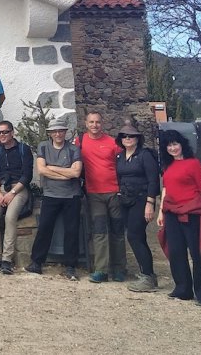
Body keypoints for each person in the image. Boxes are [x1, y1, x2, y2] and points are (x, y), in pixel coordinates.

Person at [157, 130, 201, 305]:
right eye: (169, 145)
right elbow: (166, 189)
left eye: (175, 144)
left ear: (182, 144)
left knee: (198, 253)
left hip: (192, 212)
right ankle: (183, 288)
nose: (173, 148)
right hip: (171, 213)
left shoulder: (193, 163)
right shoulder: (167, 166)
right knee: (176, 251)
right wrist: (161, 211)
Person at [25, 119, 82, 281]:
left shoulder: (73, 149)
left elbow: (76, 173)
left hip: (71, 195)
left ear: (65, 132)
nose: (58, 134)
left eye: (61, 131)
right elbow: (42, 170)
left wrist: (53, 168)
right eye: (54, 131)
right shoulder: (43, 146)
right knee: (44, 228)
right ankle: (36, 262)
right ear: (50, 133)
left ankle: (70, 266)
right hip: (51, 194)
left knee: (72, 230)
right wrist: (65, 172)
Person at [78, 111, 126, 284]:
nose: (94, 125)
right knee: (99, 232)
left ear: (102, 123)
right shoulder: (80, 141)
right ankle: (101, 270)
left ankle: (119, 268)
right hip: (94, 194)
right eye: (91, 122)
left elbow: (123, 163)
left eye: (97, 122)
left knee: (117, 231)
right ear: (86, 123)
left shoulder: (113, 143)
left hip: (114, 192)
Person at [115, 122, 160, 292]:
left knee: (135, 236)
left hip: (142, 200)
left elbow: (153, 180)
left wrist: (150, 203)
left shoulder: (145, 155)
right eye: (124, 136)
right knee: (136, 237)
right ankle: (148, 275)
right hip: (126, 200)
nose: (128, 139)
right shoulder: (120, 157)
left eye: (131, 136)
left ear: (137, 138)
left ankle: (147, 276)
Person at [0, 121, 32, 275]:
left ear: (12, 133)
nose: (2, 135)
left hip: (19, 189)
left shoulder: (24, 150)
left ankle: (6, 259)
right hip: (2, 190)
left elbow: (27, 176)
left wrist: (12, 193)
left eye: (5, 132)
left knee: (10, 217)